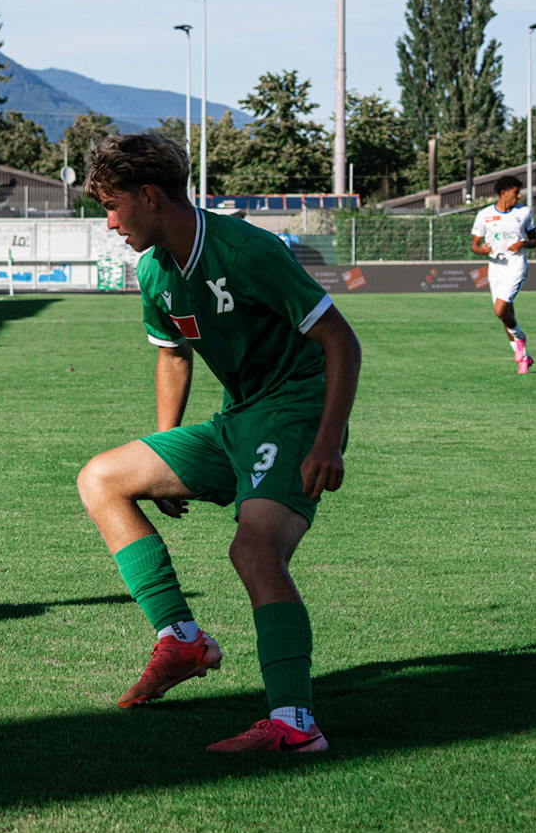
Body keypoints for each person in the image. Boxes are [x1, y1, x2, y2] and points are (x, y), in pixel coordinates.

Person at [73, 132, 361, 753]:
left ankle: (295, 725)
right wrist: (167, 447)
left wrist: (328, 441)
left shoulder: (246, 249)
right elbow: (174, 356)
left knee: (254, 550)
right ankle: (182, 639)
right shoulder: (154, 270)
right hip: (237, 419)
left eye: (112, 205)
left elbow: (341, 340)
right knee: (103, 479)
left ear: (149, 196)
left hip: (295, 414)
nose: (109, 222)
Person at [469, 175, 536, 373]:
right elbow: (474, 245)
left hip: (516, 265)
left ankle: (520, 338)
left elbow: (535, 241)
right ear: (504, 193)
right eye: (516, 192)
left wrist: (522, 243)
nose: (519, 195)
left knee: (499, 310)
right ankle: (523, 357)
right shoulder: (484, 215)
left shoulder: (524, 212)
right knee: (505, 314)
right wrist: (482, 250)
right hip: (495, 267)